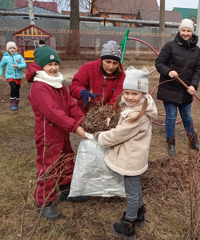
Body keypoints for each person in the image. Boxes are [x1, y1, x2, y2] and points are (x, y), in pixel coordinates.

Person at [94, 66, 158, 240]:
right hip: (135, 155)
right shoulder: (139, 106)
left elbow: (118, 134)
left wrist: (100, 136)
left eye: (135, 94)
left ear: (143, 94)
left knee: (131, 190)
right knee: (135, 185)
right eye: (127, 92)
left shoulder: (136, 115)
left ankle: (128, 224)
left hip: (131, 157)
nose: (130, 97)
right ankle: (139, 213)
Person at [27, 46, 87, 221]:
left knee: (67, 157)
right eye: (49, 64)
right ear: (40, 66)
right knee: (49, 165)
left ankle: (66, 190)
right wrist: (74, 127)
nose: (53, 68)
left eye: (56, 64)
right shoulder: (39, 88)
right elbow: (53, 112)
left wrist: (83, 120)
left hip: (62, 131)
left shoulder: (58, 84)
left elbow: (70, 105)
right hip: (48, 135)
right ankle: (43, 202)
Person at [155, 19, 200, 157]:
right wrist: (168, 71)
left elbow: (197, 69)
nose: (185, 33)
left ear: (192, 32)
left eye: (188, 30)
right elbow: (159, 63)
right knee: (171, 116)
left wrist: (193, 85)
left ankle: (193, 142)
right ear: (179, 31)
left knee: (187, 117)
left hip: (185, 90)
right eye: (183, 30)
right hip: (170, 88)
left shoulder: (196, 50)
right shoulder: (170, 46)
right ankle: (171, 144)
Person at [69, 40, 125, 112]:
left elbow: (118, 97)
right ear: (102, 60)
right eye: (108, 62)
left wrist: (108, 111)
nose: (111, 66)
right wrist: (81, 91)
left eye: (115, 63)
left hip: (108, 112)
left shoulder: (121, 75)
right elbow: (74, 87)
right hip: (85, 112)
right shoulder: (88, 68)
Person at [0, 41, 26, 111]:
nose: (12, 49)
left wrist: (18, 66)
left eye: (14, 48)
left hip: (18, 76)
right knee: (13, 88)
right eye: (10, 48)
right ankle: (12, 103)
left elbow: (24, 65)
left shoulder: (19, 56)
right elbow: (0, 66)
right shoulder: (5, 58)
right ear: (7, 49)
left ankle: (16, 103)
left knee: (17, 89)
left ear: (16, 49)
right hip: (10, 76)